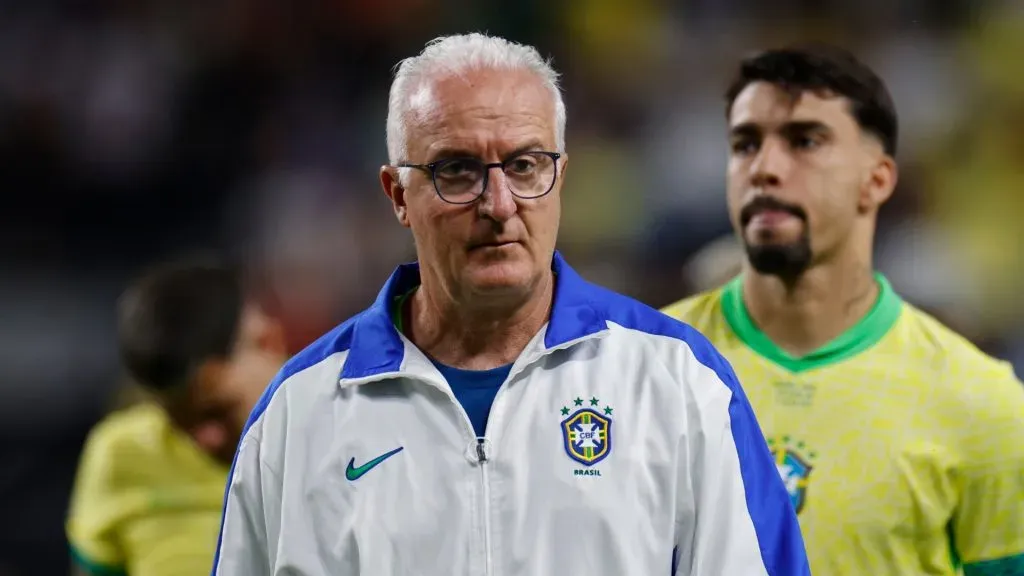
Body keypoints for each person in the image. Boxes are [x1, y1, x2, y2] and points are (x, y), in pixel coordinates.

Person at [212, 33, 809, 576]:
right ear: (398, 193)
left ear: (562, 175)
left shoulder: (677, 383)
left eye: (525, 165)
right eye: (458, 170)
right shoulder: (299, 412)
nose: (499, 203)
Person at [662, 44, 1024, 576]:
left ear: (876, 179)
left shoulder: (981, 403)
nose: (765, 167)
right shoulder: (644, 366)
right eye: (745, 144)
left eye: (805, 141)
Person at [67, 260, 288, 576]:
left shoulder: (342, 439)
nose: (204, 439)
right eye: (178, 421)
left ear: (269, 343)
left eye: (218, 412)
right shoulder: (119, 454)